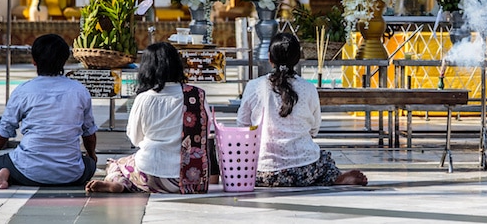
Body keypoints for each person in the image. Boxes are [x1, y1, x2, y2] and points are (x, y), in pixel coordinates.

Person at [236, 33, 368, 187]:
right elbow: (314, 129)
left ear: (269, 58)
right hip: (305, 168)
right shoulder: (308, 88)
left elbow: (242, 126)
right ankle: (333, 177)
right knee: (323, 159)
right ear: (298, 58)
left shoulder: (254, 86)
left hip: (260, 171)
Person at [85, 42, 210, 194]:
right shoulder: (197, 95)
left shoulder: (144, 98)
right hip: (189, 179)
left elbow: (134, 138)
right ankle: (128, 184)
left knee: (116, 164)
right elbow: (205, 131)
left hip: (149, 173)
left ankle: (121, 182)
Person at [0, 34, 98, 189]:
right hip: (71, 174)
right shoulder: (80, 91)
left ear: (34, 61)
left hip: (28, 170)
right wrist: (91, 156)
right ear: (65, 60)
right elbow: (89, 134)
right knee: (89, 164)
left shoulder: (23, 91)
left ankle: (2, 173)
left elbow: (3, 133)